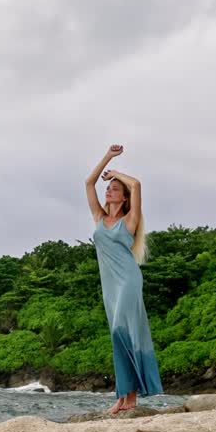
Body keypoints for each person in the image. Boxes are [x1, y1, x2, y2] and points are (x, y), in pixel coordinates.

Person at [84, 144, 163, 414]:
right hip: (109, 286)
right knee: (118, 336)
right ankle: (125, 397)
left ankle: (129, 396)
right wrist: (107, 156)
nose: (109, 190)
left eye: (115, 189)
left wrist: (117, 171)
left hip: (128, 280)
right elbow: (88, 182)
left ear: (124, 198)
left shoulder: (130, 220)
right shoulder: (99, 217)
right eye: (109, 188)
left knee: (121, 330)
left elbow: (137, 184)